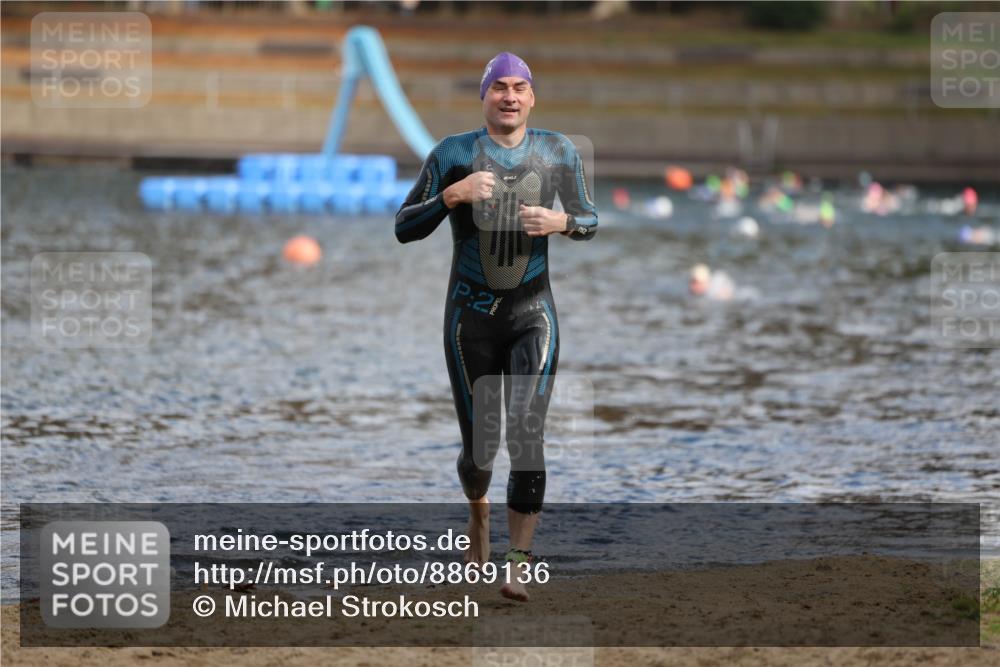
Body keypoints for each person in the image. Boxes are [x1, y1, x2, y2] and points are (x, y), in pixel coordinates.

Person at [394, 52, 597, 602]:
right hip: (469, 321)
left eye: (520, 87)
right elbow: (403, 227)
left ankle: (518, 561)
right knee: (480, 451)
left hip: (534, 314)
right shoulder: (453, 154)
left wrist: (562, 222)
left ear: (533, 97)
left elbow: (591, 220)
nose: (509, 96)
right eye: (499, 87)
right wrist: (450, 196)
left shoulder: (558, 151)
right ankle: (478, 515)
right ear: (484, 97)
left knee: (526, 436)